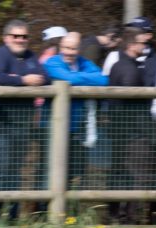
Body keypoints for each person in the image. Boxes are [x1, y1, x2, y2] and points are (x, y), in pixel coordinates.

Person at [0, 19, 48, 223]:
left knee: (16, 169)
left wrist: (17, 77)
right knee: (1, 169)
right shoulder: (0, 54)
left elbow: (44, 78)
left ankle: (11, 216)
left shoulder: (31, 56)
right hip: (2, 122)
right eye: (16, 36)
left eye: (24, 36)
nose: (21, 40)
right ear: (6, 38)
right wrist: (23, 80)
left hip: (23, 122)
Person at [106, 27, 156, 223]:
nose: (144, 46)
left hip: (118, 132)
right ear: (131, 45)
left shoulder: (117, 66)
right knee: (139, 177)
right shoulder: (131, 71)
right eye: (140, 43)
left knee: (119, 173)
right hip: (134, 134)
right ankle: (131, 219)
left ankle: (114, 214)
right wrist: (152, 135)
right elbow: (136, 109)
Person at [44, 32, 108, 189]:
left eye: (73, 49)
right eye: (66, 47)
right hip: (54, 127)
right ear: (60, 47)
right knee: (49, 171)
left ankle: (70, 210)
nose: (69, 52)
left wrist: (74, 76)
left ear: (79, 49)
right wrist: (81, 78)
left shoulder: (84, 62)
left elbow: (104, 79)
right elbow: (69, 79)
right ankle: (43, 210)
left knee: (75, 172)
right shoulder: (51, 63)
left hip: (78, 127)